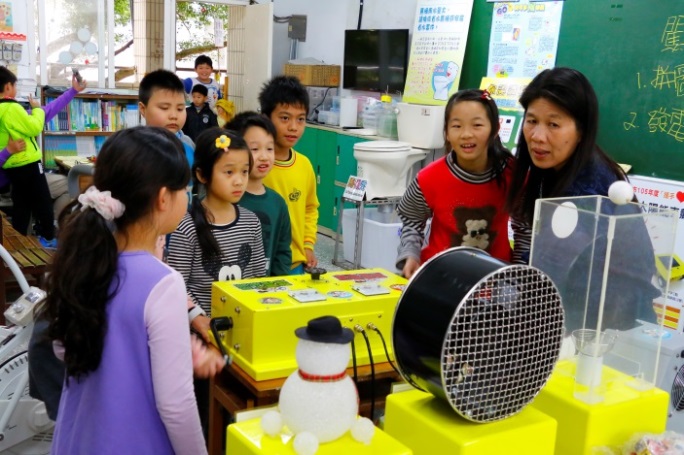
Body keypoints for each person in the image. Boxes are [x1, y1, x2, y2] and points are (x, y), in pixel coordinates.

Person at [40, 126, 224, 454]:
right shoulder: (163, 283)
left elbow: (64, 350)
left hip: (80, 437)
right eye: (185, 189)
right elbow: (176, 404)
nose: (188, 196)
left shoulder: (82, 261)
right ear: (163, 198)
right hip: (135, 440)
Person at [505, 67, 659, 331]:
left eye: (553, 124)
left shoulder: (589, 190)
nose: (537, 136)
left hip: (610, 330)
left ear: (581, 131)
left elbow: (549, 275)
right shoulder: (554, 170)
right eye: (531, 121)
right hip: (581, 318)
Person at [166, 128, 266, 433]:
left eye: (244, 172)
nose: (239, 180)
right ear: (203, 175)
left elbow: (259, 278)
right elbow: (175, 286)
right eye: (229, 172)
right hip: (200, 337)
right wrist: (199, 321)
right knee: (204, 408)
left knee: (243, 404)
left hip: (243, 332)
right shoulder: (186, 225)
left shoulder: (250, 221)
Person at [396, 88, 514, 279]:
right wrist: (411, 254)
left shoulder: (512, 174)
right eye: (457, 126)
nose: (466, 134)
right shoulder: (429, 177)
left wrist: (521, 276)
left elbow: (526, 227)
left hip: (495, 278)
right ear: (447, 133)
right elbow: (411, 219)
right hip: (441, 277)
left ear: (495, 129)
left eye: (477, 125)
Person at [0, 68, 86, 247]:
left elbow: (47, 112)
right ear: (8, 87)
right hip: (27, 164)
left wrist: (72, 91)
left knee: (22, 205)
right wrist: (37, 110)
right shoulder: (11, 108)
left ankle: (19, 242)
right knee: (43, 200)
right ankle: (48, 236)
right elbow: (35, 126)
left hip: (13, 169)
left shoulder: (7, 114)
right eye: (15, 86)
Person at [258, 75, 319, 274]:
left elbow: (310, 208)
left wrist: (307, 245)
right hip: (257, 263)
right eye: (285, 118)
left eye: (300, 119)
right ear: (266, 118)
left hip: (294, 263)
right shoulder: (252, 165)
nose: (293, 127)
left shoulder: (304, 165)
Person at [226, 111, 292, 276]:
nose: (264, 157)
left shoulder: (277, 203)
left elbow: (282, 251)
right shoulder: (225, 199)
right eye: (255, 149)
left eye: (270, 148)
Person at [139, 69, 195, 169]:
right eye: (164, 108)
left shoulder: (188, 144)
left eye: (180, 109)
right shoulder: (134, 146)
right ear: (143, 109)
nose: (174, 115)